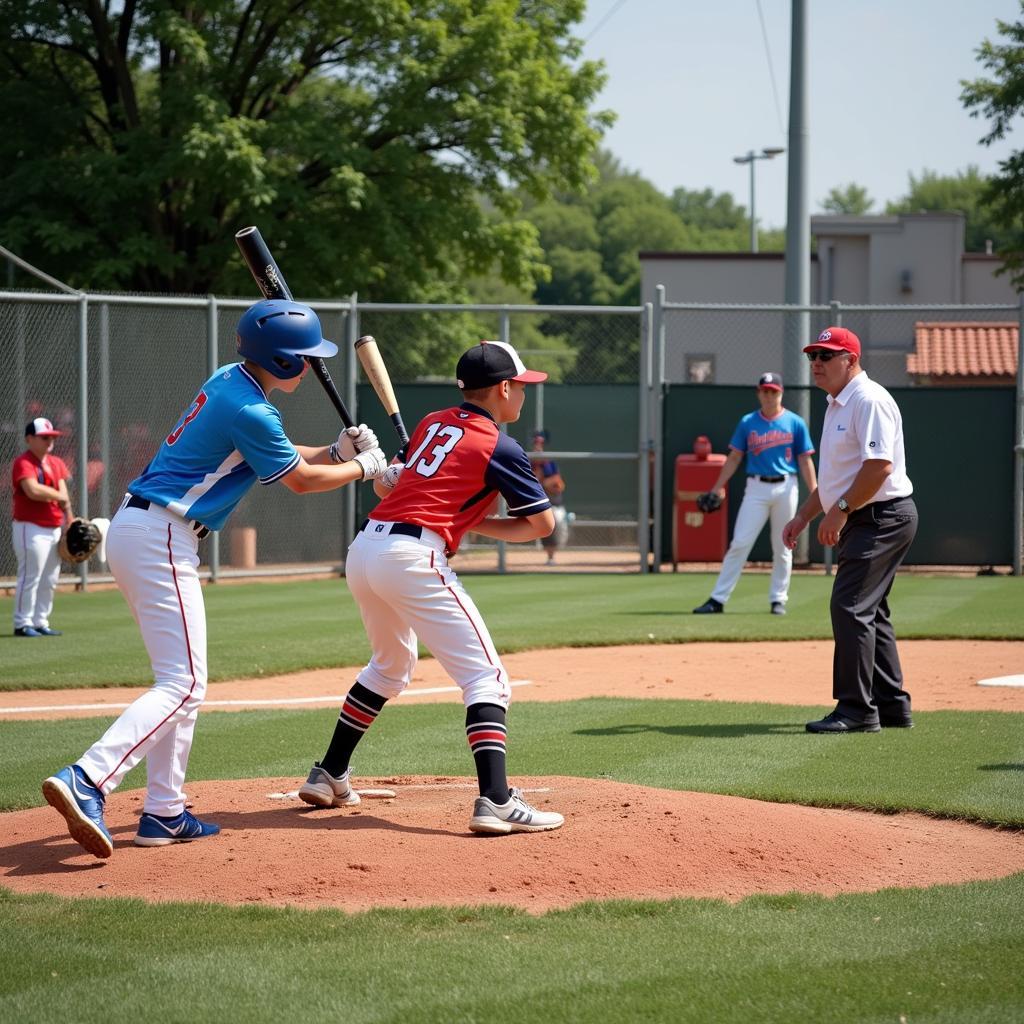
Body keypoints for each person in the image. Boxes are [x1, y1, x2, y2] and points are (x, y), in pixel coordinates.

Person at [42, 299, 389, 858]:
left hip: (146, 529)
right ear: (282, 361)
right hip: (163, 536)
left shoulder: (232, 382)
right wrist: (366, 468)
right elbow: (297, 481)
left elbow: (273, 455)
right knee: (182, 685)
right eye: (302, 357)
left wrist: (335, 450)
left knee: (179, 682)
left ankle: (164, 811)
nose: (308, 365)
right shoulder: (251, 409)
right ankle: (88, 779)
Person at [298, 339, 564, 835]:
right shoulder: (500, 445)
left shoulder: (431, 422)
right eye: (521, 387)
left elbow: (386, 487)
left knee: (391, 665)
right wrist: (472, 524)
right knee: (488, 678)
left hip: (367, 548)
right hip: (413, 555)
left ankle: (329, 772)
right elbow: (542, 525)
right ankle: (497, 801)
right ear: (504, 388)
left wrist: (403, 481)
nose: (522, 396)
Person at [782, 326, 917, 734]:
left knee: (850, 606)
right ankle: (892, 706)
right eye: (813, 356)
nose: (817, 363)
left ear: (851, 359)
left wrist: (839, 511)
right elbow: (837, 477)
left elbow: (879, 468)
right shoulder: (837, 403)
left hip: (881, 516)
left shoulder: (868, 399)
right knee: (870, 610)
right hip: (868, 513)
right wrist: (804, 515)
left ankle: (857, 710)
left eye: (827, 355)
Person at [693, 372, 817, 616]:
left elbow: (805, 461)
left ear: (781, 393)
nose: (769, 395)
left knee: (783, 546)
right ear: (759, 393)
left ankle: (778, 599)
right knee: (740, 542)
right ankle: (717, 599)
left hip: (786, 486)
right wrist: (717, 486)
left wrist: (815, 492)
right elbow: (735, 457)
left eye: (774, 391)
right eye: (765, 391)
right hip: (756, 488)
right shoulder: (748, 422)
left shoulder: (794, 422)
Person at [11, 417, 73, 637]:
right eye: (44, 437)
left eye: (52, 437)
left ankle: (40, 621)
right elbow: (32, 490)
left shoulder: (57, 463)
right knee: (30, 576)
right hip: (30, 527)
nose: (50, 441)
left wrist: (70, 520)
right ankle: (22, 623)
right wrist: (58, 496)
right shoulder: (23, 462)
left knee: (49, 578)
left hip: (55, 526)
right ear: (30, 439)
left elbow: (65, 497)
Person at [530, 428, 568, 564]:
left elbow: (558, 485)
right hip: (539, 503)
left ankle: (552, 555)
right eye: (536, 443)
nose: (538, 447)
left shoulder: (549, 463)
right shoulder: (529, 462)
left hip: (554, 502)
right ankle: (550, 557)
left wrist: (544, 482)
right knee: (547, 527)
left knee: (559, 529)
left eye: (540, 444)